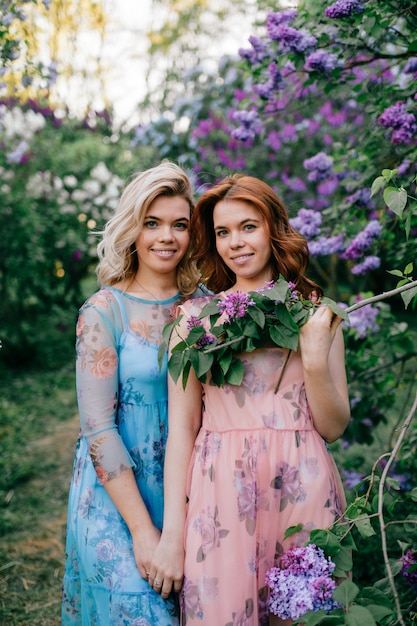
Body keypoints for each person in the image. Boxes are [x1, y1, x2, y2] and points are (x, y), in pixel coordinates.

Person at [149, 174, 350, 625]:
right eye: (222, 232)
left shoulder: (314, 310)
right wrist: (172, 535)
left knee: (304, 615)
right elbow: (182, 431)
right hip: (221, 490)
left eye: (248, 227)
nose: (235, 243)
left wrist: (313, 357)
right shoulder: (194, 322)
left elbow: (335, 427)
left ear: (273, 228)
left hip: (301, 486)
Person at [62, 162, 205, 625]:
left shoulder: (205, 307)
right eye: (152, 223)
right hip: (116, 499)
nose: (166, 237)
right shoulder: (105, 311)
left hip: (189, 493)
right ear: (132, 228)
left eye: (179, 225)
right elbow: (98, 428)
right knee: (144, 613)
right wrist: (144, 533)